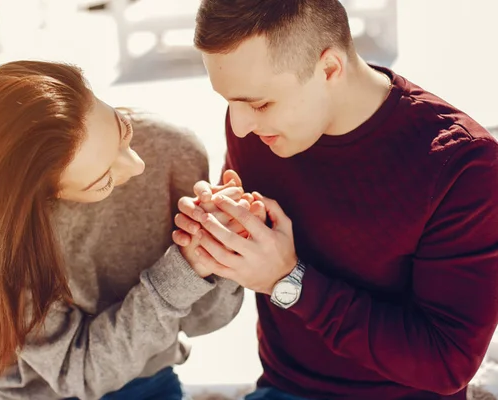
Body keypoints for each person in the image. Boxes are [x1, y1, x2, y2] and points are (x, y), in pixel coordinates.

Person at [172, 1, 498, 399]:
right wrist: (227, 230)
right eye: (229, 101)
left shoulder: (460, 164)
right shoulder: (257, 128)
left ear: (329, 68)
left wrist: (288, 280)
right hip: (282, 386)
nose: (239, 127)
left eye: (259, 104)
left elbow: (448, 362)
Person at [0, 60, 256, 400]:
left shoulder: (173, 149)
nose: (136, 166)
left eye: (122, 130)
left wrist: (219, 250)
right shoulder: (2, 235)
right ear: (47, 196)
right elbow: (76, 373)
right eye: (103, 181)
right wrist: (182, 271)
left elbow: (199, 322)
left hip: (148, 382)